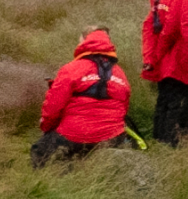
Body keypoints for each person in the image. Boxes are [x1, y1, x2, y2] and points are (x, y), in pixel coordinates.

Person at [33, 26, 132, 167]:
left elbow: (53, 107)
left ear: (85, 43)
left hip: (74, 134)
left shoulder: (71, 69)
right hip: (112, 136)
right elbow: (124, 107)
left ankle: (49, 178)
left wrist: (46, 127)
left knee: (39, 152)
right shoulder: (120, 72)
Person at [142, 0, 188, 147]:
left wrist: (153, 56)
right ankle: (172, 142)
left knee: (164, 101)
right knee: (178, 104)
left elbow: (150, 25)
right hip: (178, 59)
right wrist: (159, 53)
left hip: (166, 60)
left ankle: (159, 138)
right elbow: (172, 30)